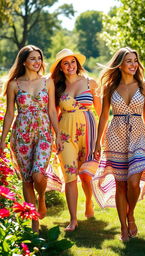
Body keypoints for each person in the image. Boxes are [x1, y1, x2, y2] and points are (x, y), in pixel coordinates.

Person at [93, 47, 145, 242]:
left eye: (135, 61)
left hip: (139, 135)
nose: (133, 65)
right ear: (120, 64)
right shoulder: (110, 87)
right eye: (129, 61)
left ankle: (130, 213)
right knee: (121, 185)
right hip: (115, 136)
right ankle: (123, 226)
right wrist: (98, 143)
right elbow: (104, 115)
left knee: (134, 182)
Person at [0, 45, 62, 232]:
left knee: (38, 174)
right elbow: (10, 114)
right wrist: (2, 140)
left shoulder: (48, 82)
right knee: (27, 179)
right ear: (24, 61)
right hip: (22, 135)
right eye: (33, 58)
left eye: (39, 58)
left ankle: (41, 198)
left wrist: (58, 134)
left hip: (43, 132)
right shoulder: (14, 84)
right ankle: (35, 222)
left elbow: (52, 110)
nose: (37, 62)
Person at [50, 48, 101, 231]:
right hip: (65, 134)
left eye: (73, 62)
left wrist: (99, 141)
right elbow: (53, 114)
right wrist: (53, 136)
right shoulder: (57, 86)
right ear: (61, 68)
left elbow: (101, 112)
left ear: (77, 64)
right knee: (70, 176)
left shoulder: (90, 82)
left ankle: (88, 201)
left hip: (88, 131)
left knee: (86, 175)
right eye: (66, 63)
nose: (70, 66)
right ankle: (73, 219)